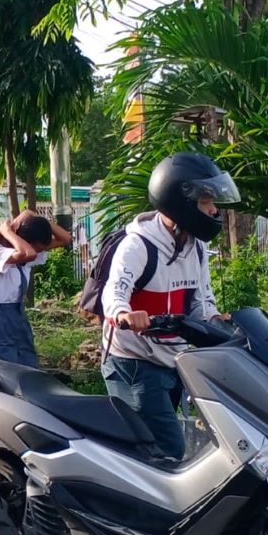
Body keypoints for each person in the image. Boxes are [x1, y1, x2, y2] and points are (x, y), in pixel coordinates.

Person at [101, 152, 240, 460]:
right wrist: (124, 314)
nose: (214, 210)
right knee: (164, 448)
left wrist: (219, 321)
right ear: (182, 202)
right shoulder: (138, 246)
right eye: (206, 202)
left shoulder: (197, 247)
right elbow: (113, 293)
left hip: (172, 359)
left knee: (153, 448)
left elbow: (202, 300)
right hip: (133, 361)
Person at [0, 210, 72, 367]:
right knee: (3, 373)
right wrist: (6, 230)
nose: (39, 252)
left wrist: (34, 216)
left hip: (18, 315)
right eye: (37, 248)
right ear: (24, 240)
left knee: (28, 370)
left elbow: (66, 239)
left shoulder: (24, 254)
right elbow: (28, 253)